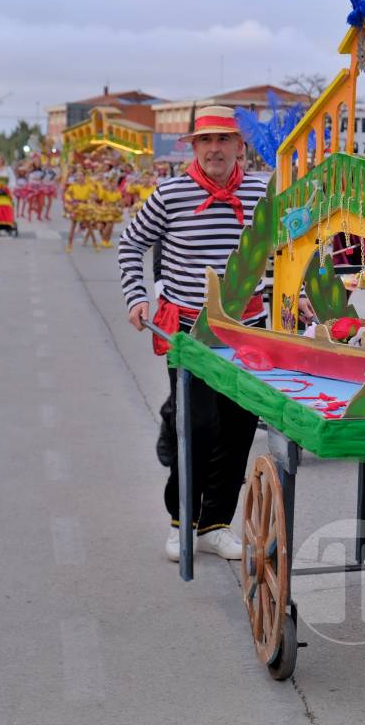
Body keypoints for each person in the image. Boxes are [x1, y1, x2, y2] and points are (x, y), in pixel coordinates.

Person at [117, 106, 269, 563]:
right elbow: (131, 243)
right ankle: (181, 520)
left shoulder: (264, 192)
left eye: (224, 140)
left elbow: (283, 249)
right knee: (198, 426)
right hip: (190, 333)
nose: (216, 149)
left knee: (240, 429)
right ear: (195, 148)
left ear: (240, 147)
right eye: (207, 141)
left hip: (249, 334)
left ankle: (216, 524)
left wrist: (297, 293)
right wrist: (136, 296)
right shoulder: (171, 193)